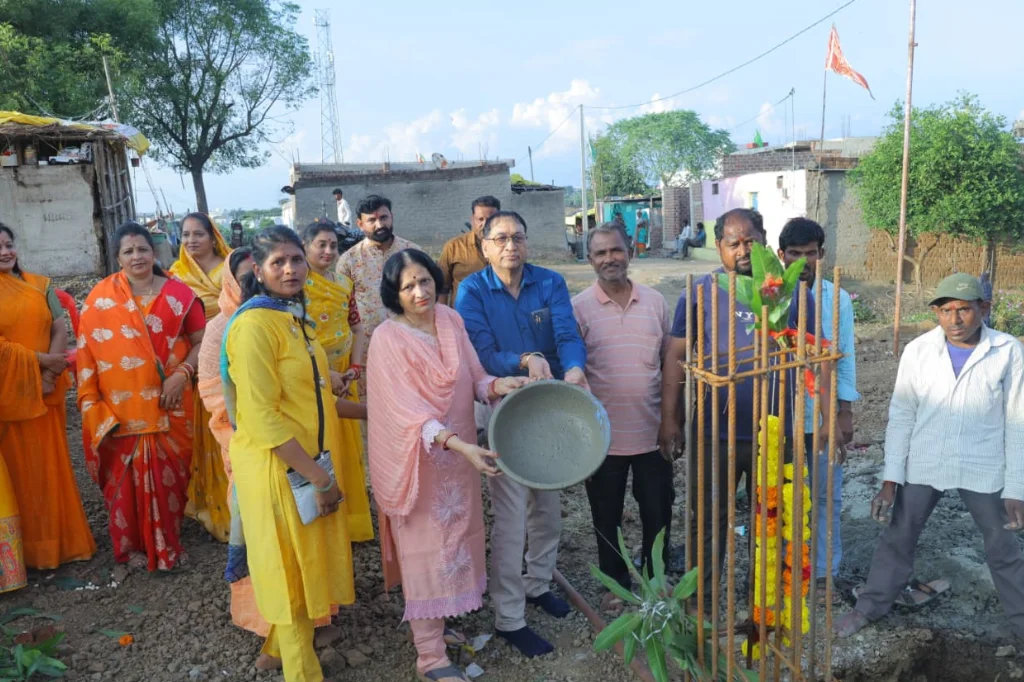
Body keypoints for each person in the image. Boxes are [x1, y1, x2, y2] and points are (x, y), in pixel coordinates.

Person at [367, 248, 528, 682]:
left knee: (456, 543)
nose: (419, 292)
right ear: (394, 294)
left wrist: (498, 385)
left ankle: (443, 619)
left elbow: (474, 376)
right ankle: (430, 657)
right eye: (408, 286)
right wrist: (458, 445)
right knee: (425, 553)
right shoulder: (388, 338)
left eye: (424, 281)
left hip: (460, 461)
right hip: (418, 464)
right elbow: (407, 412)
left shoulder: (450, 319)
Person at [835, 273, 1024, 640]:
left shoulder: (1007, 351)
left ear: (982, 309)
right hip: (925, 460)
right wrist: (890, 483)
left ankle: (1021, 626)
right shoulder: (919, 351)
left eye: (964, 310)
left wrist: (1016, 487)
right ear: (936, 312)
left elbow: (1017, 422)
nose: (955, 320)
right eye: (946, 310)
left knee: (1003, 547)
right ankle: (870, 607)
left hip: (983, 465)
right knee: (898, 535)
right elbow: (902, 415)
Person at [659, 208, 817, 600]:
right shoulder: (701, 292)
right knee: (709, 518)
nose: (744, 250)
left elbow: (814, 358)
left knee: (772, 520)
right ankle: (703, 602)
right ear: (719, 248)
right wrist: (671, 419)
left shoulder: (793, 292)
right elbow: (675, 357)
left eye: (751, 240)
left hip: (776, 430)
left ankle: (764, 603)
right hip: (715, 430)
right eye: (734, 243)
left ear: (765, 241)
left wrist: (830, 415)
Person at [222, 226, 355, 682]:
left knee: (303, 563)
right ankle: (302, 671)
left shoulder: (294, 318)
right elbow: (263, 419)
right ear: (258, 271)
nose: (291, 269)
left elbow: (317, 399)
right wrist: (319, 478)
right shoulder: (254, 325)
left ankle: (276, 649)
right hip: (278, 469)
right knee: (288, 573)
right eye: (278, 262)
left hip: (307, 460)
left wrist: (379, 412)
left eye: (296, 259)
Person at [456, 210, 587, 657]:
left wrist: (573, 369)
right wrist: (526, 356)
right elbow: (482, 353)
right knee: (511, 519)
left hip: (548, 405)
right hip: (503, 406)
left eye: (518, 237)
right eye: (501, 238)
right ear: (485, 246)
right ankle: (509, 615)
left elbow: (568, 333)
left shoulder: (548, 282)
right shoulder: (472, 291)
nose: (511, 245)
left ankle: (537, 583)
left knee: (547, 507)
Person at [78, 222, 205, 572]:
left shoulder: (179, 296)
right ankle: (130, 548)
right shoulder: (99, 299)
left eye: (143, 249)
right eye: (128, 251)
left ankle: (168, 543)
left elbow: (202, 343)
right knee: (124, 484)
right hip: (119, 410)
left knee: (171, 479)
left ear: (154, 252)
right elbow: (87, 355)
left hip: (171, 404)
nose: (137, 256)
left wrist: (182, 375)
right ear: (117, 258)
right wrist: (94, 406)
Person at [571, 223, 674, 612]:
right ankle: (614, 583)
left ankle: (655, 577)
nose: (609, 259)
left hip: (652, 432)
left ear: (630, 251)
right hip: (602, 438)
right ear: (590, 259)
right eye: (600, 253)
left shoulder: (655, 302)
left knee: (657, 511)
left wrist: (672, 420)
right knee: (606, 514)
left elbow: (669, 364)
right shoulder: (578, 308)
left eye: (615, 250)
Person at [0, 224, 95, 573]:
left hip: (45, 392)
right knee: (16, 475)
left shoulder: (40, 285)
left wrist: (49, 374)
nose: (5, 252)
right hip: (9, 397)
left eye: (9, 244)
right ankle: (23, 555)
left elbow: (59, 326)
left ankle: (60, 545)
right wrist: (40, 363)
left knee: (50, 470)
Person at [777, 217, 859, 604]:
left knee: (827, 494)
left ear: (822, 255)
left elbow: (844, 359)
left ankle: (825, 574)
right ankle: (787, 570)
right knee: (782, 496)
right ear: (781, 255)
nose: (804, 261)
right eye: (796, 253)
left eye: (811, 254)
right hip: (778, 415)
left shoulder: (836, 297)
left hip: (821, 415)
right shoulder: (768, 297)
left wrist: (842, 413)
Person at [302, 222, 374, 542]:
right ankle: (326, 521)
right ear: (306, 246)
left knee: (349, 447)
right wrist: (324, 374)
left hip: (346, 372)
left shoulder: (344, 283)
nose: (328, 251)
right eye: (321, 244)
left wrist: (354, 369)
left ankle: (353, 518)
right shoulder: (297, 285)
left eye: (333, 245)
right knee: (323, 444)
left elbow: (356, 328)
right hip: (312, 376)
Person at [170, 212, 232, 542]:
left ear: (213, 236)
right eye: (186, 235)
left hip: (234, 354)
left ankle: (239, 507)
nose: (192, 241)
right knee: (205, 434)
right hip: (198, 360)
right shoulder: (177, 276)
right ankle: (212, 506)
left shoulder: (231, 266)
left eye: (199, 234)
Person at [336, 194, 421, 394]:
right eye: (372, 220)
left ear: (392, 216)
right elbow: (342, 310)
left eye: (383, 218)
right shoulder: (348, 261)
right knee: (372, 408)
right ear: (360, 224)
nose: (379, 224)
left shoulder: (413, 253)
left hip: (411, 346)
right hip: (367, 350)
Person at [438, 195, 500, 307]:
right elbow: (442, 288)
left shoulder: (508, 246)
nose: (485, 224)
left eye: (491, 219)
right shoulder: (454, 247)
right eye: (480, 219)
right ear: (472, 220)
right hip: (463, 316)